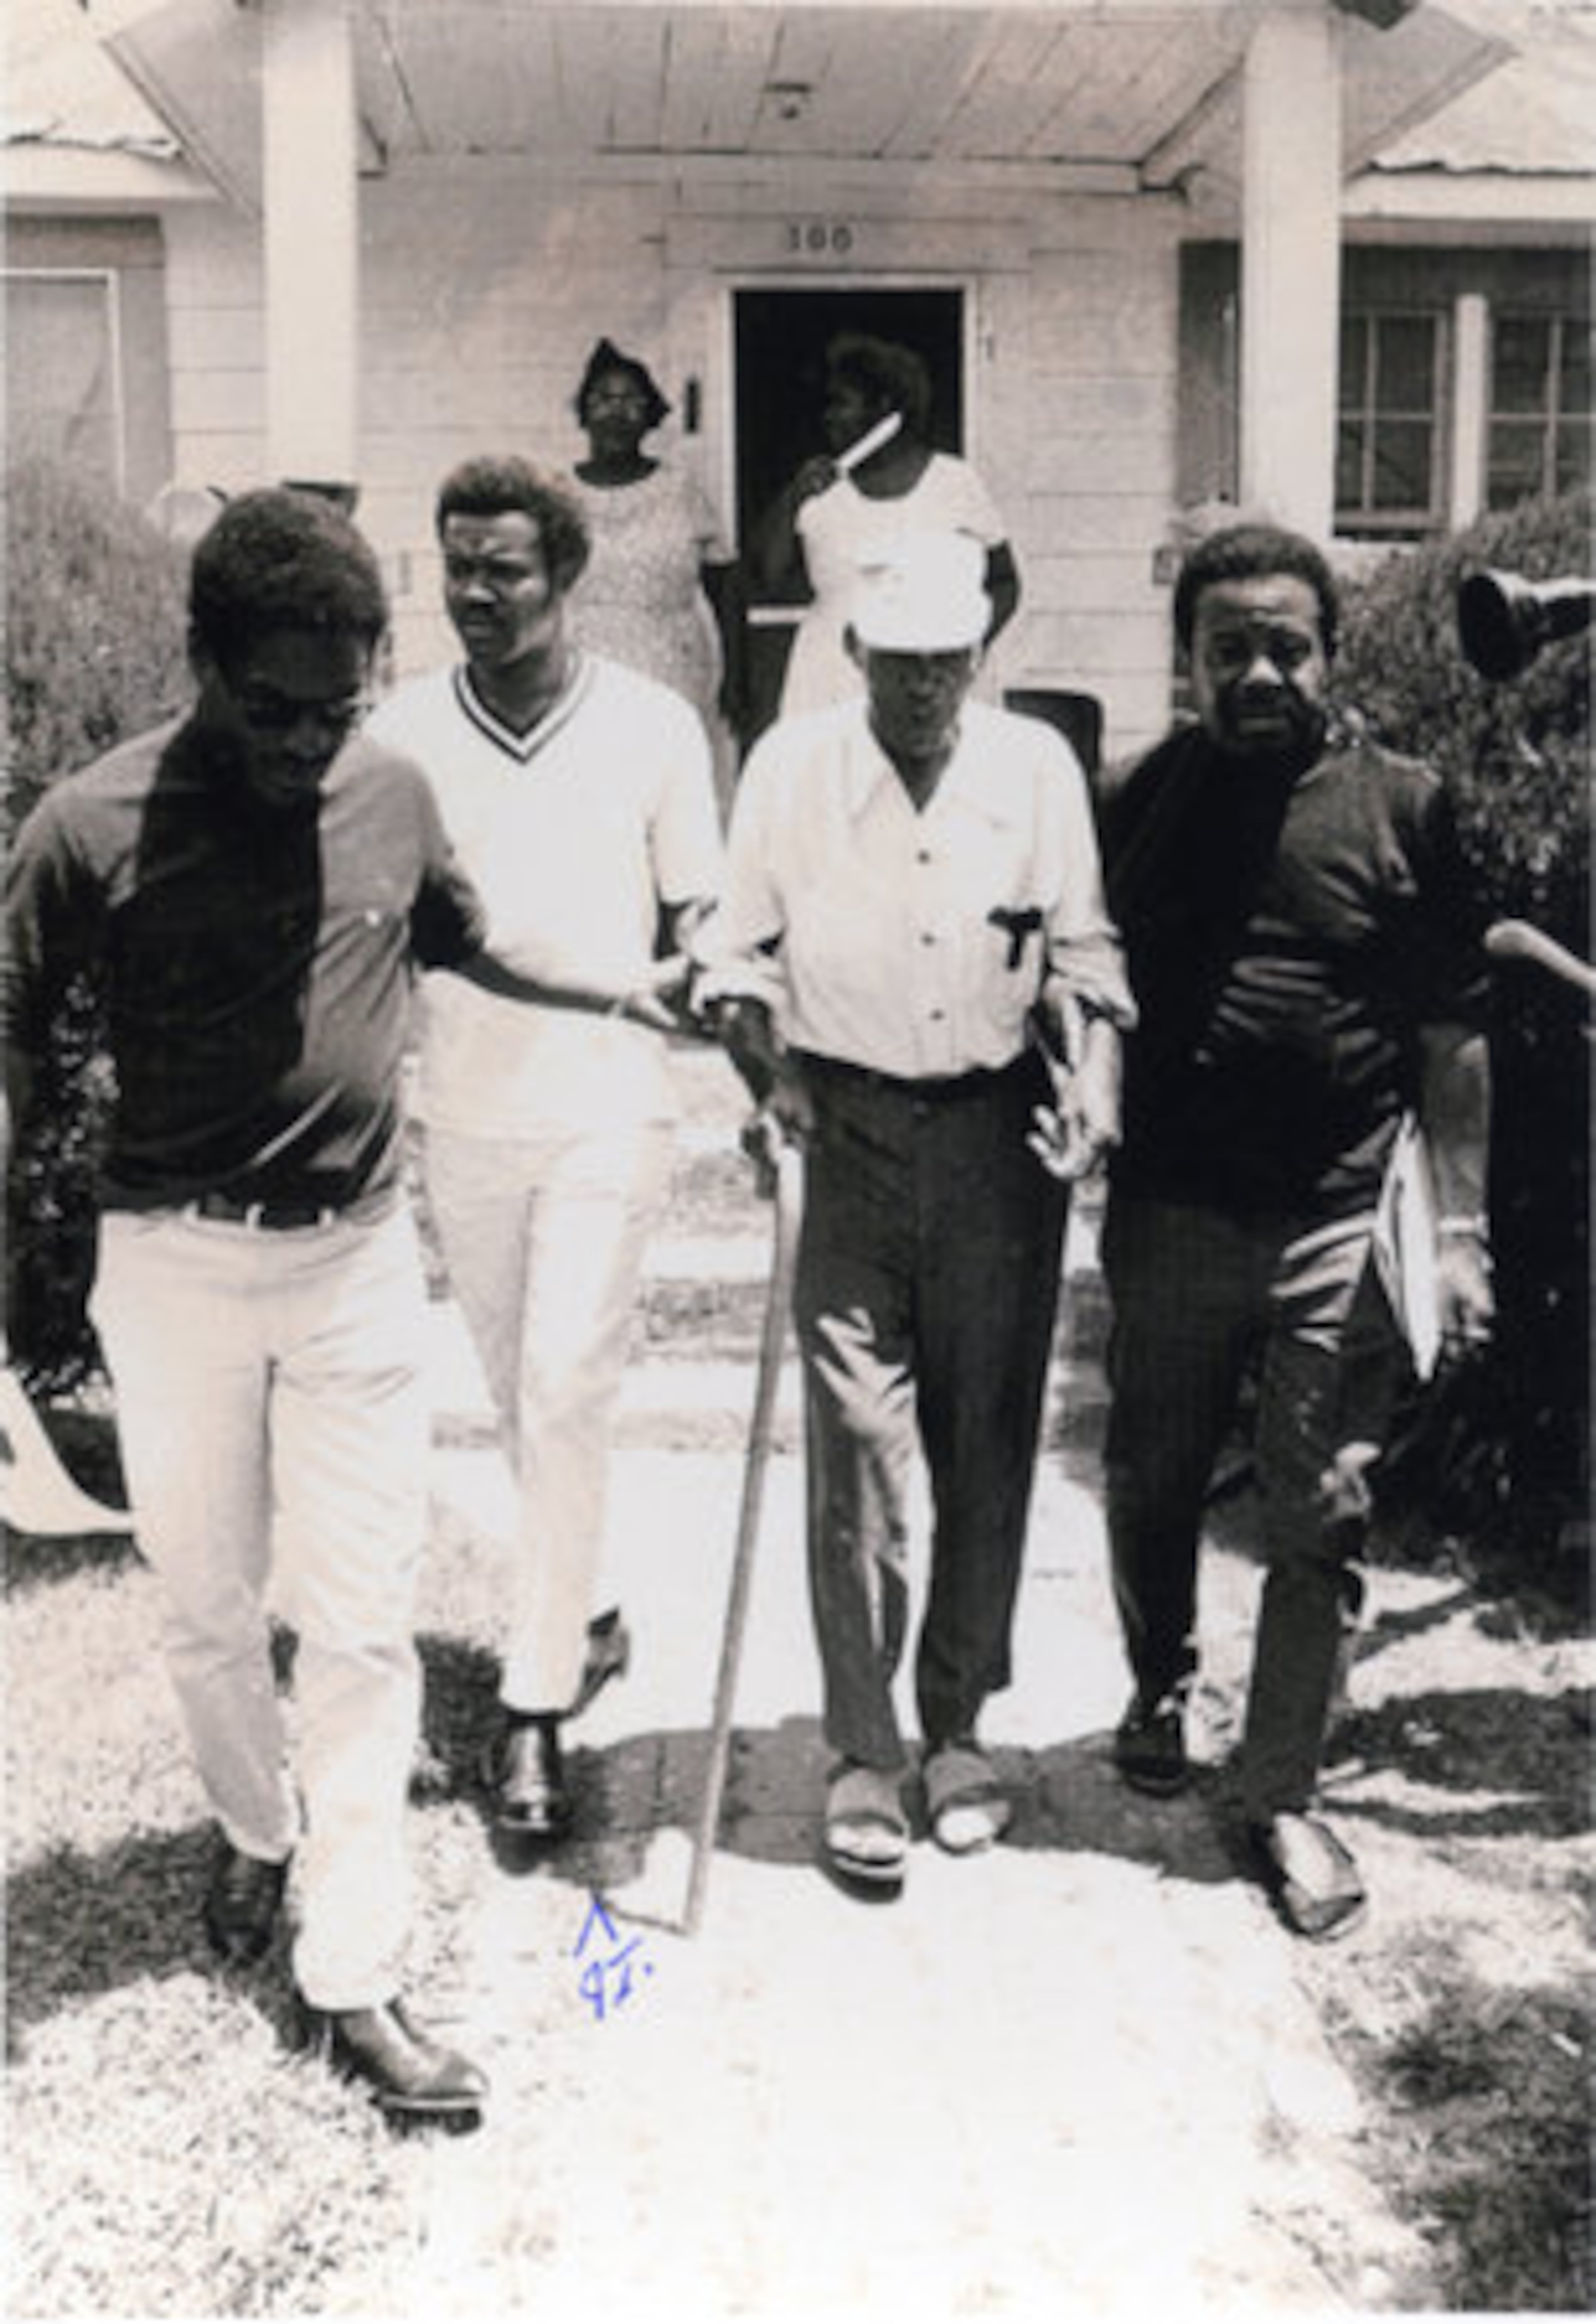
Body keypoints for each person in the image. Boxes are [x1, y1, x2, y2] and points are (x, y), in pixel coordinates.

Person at [0, 489, 497, 2122]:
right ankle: (254, 1833)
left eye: (335, 708)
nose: (305, 742)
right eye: (270, 706)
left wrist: (645, 986)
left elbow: (475, 941)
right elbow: (14, 1036)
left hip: (356, 1264)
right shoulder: (87, 823)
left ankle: (354, 1969)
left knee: (358, 1624)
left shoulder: (398, 790)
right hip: (173, 1266)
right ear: (201, 661)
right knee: (209, 1604)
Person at [695, 529, 1131, 1891]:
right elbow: (733, 956)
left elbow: (1082, 953)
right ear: (857, 656)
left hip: (999, 1136)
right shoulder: (790, 769)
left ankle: (959, 1729)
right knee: (862, 1448)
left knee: (988, 1433)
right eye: (902, 666)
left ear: (980, 656)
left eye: (951, 663)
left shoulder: (1034, 769)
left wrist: (1097, 1079)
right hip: (852, 1132)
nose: (928, 690)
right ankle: (864, 1750)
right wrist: (766, 1064)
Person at [1090, 519, 1492, 1940]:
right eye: (1229, 650)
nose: (1260, 673)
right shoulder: (1130, 798)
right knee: (1148, 1476)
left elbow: (1451, 1036)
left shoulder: (1409, 805)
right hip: (1171, 1209)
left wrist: (1461, 1233)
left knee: (1317, 1505)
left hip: (1336, 1214)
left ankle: (1282, 1791)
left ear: (1329, 652)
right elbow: (1084, 991)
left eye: (1288, 646)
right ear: (1188, 660)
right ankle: (1158, 1678)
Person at [365, 455, 722, 1846]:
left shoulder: (651, 724)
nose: (476, 592)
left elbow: (699, 910)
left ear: (564, 577)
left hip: (608, 1107)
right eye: (458, 565)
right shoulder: (399, 731)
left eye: (504, 567)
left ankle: (534, 1707)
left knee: (567, 1381)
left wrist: (713, 987)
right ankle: (584, 1607)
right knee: (524, 1392)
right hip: (465, 1110)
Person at [755, 332, 1020, 720]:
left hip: (933, 676)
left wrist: (961, 654)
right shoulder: (820, 489)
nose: (827, 416)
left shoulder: (955, 482)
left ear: (886, 409)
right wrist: (793, 498)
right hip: (833, 674)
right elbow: (768, 575)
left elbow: (1006, 582)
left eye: (840, 403)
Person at [566, 337, 748, 811]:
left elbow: (726, 584)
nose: (617, 412)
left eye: (632, 401)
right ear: (583, 414)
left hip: (672, 667)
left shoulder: (682, 490)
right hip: (582, 669)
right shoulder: (556, 494)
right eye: (603, 399)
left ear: (651, 416)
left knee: (666, 800)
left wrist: (736, 678)